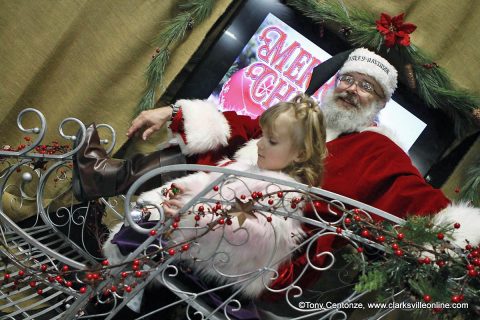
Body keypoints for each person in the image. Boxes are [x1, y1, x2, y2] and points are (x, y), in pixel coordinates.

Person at [74, 47, 480, 317]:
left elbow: (426, 206)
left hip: (271, 250)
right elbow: (251, 126)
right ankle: (106, 184)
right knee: (215, 145)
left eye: (367, 88)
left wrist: (469, 244)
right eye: (349, 80)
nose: (353, 90)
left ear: (379, 104)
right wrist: (172, 112)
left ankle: (112, 216)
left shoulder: (379, 151)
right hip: (236, 213)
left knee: (181, 195)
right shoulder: (312, 123)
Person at [101, 94, 328, 314]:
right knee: (146, 220)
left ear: (300, 155)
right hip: (197, 249)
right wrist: (182, 192)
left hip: (223, 273)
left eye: (272, 141)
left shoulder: (286, 195)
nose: (259, 145)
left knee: (148, 235)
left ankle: (124, 291)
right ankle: (124, 286)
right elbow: (210, 184)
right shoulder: (249, 169)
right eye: (262, 136)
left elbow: (252, 233)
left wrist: (190, 211)